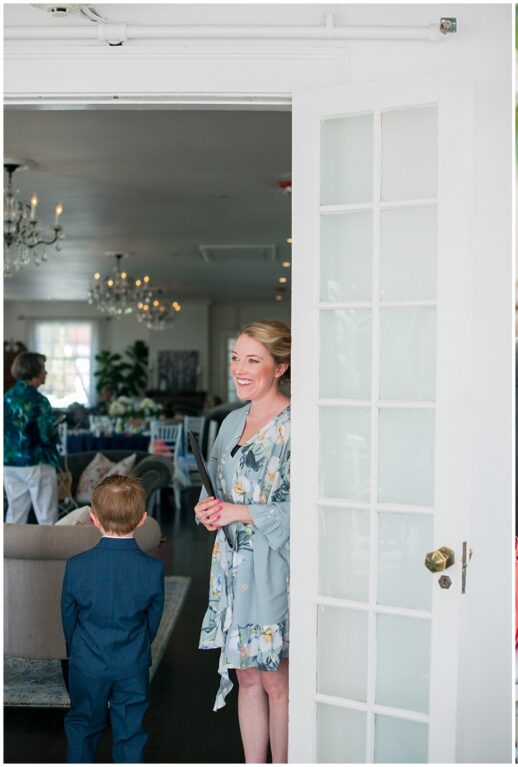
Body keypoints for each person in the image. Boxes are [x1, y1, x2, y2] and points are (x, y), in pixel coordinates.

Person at [194, 320, 291, 763]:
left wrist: (241, 511)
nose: (240, 368)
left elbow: (308, 510)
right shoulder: (232, 421)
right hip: (232, 568)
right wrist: (206, 508)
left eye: (253, 360)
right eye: (236, 358)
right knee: (247, 677)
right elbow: (214, 484)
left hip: (276, 570)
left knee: (276, 682)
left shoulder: (298, 426)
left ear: (281, 367)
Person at [61, 474, 164, 763]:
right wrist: (140, 645)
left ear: (93, 518)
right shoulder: (153, 569)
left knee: (83, 724)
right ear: (142, 519)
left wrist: (76, 650)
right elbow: (153, 619)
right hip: (132, 662)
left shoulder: (77, 566)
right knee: (130, 731)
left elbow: (68, 617)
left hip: (87, 661)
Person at [4, 351, 61, 524]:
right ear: (33, 371)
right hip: (36, 463)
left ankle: (9, 551)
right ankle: (50, 552)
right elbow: (46, 436)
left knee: (15, 515)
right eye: (43, 368)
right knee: (47, 517)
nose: (46, 372)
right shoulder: (39, 401)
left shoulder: (7, 396)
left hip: (9, 463)